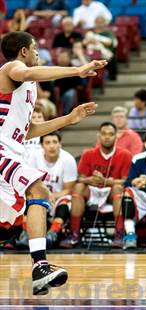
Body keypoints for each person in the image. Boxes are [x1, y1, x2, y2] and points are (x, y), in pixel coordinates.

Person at [0, 31, 105, 295]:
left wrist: (68, 119)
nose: (38, 53)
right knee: (38, 190)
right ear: (23, 51)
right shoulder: (13, 68)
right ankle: (40, 266)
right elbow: (27, 73)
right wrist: (77, 69)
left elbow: (28, 130)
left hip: (12, 150)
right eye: (35, 49)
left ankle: (39, 271)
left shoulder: (27, 88)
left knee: (7, 226)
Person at [59, 122, 132, 249]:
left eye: (110, 134)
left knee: (118, 188)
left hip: (111, 191)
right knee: (78, 187)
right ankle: (74, 234)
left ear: (116, 137)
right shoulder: (88, 154)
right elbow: (81, 178)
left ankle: (119, 234)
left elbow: (126, 181)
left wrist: (106, 181)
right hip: (92, 190)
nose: (107, 137)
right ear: (99, 136)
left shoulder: (125, 155)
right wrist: (91, 179)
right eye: (104, 134)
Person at [20, 132, 77, 248]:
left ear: (60, 144)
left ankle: (52, 234)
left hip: (58, 197)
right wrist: (43, 195)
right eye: (47, 142)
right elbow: (29, 183)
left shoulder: (68, 159)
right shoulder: (34, 157)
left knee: (66, 200)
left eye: (55, 142)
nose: (52, 146)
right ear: (42, 145)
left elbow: (69, 190)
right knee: (29, 198)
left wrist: (53, 196)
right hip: (39, 195)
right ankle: (25, 233)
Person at [84, 16, 118, 80]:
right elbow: (84, 43)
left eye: (101, 22)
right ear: (95, 23)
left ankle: (110, 75)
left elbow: (110, 43)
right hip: (91, 53)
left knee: (111, 57)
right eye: (97, 22)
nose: (99, 24)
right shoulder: (90, 32)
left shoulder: (108, 32)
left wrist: (98, 40)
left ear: (104, 23)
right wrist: (89, 41)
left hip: (104, 53)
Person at [53, 50, 83, 115]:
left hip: (69, 92)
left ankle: (65, 113)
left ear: (69, 59)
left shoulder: (74, 69)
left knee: (70, 94)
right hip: (55, 93)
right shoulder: (53, 68)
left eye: (64, 57)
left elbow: (79, 84)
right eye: (60, 57)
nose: (62, 59)